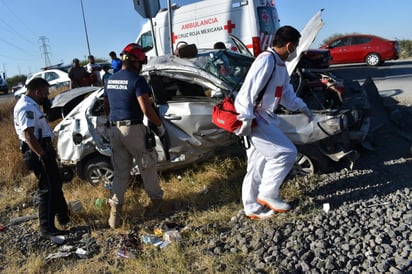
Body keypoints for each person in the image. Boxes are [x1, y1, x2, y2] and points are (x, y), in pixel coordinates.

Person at [234, 25, 314, 219]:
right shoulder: (266, 60)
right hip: (255, 118)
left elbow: (286, 94)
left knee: (257, 165)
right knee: (285, 153)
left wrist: (302, 107)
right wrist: (245, 118)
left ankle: (252, 207)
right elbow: (248, 91)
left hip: (263, 117)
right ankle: (268, 194)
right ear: (289, 45)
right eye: (295, 46)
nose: (294, 51)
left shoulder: (279, 65)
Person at [103, 43, 166, 229]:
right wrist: (159, 125)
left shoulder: (110, 80)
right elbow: (146, 109)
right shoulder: (137, 81)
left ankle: (115, 214)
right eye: (141, 62)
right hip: (133, 129)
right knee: (147, 165)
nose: (141, 66)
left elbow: (106, 106)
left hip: (115, 130)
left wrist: (112, 119)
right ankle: (158, 204)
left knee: (121, 172)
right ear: (135, 62)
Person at [13, 78, 70, 238]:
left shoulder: (33, 104)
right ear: (37, 92)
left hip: (43, 148)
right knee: (47, 189)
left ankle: (63, 217)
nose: (47, 96)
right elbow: (29, 135)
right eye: (45, 93)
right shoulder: (26, 107)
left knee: (55, 183)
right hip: (37, 151)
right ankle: (47, 228)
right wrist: (42, 155)